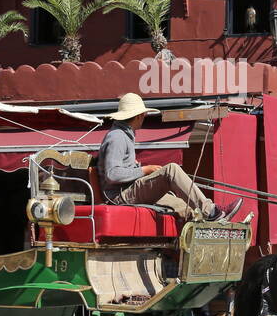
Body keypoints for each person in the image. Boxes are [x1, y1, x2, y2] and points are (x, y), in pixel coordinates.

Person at [98, 93, 241, 222]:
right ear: (138, 116)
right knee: (171, 169)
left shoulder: (123, 136)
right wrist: (144, 170)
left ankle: (205, 225)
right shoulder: (117, 137)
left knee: (182, 204)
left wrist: (137, 168)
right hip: (120, 196)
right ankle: (211, 211)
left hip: (127, 191)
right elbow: (113, 174)